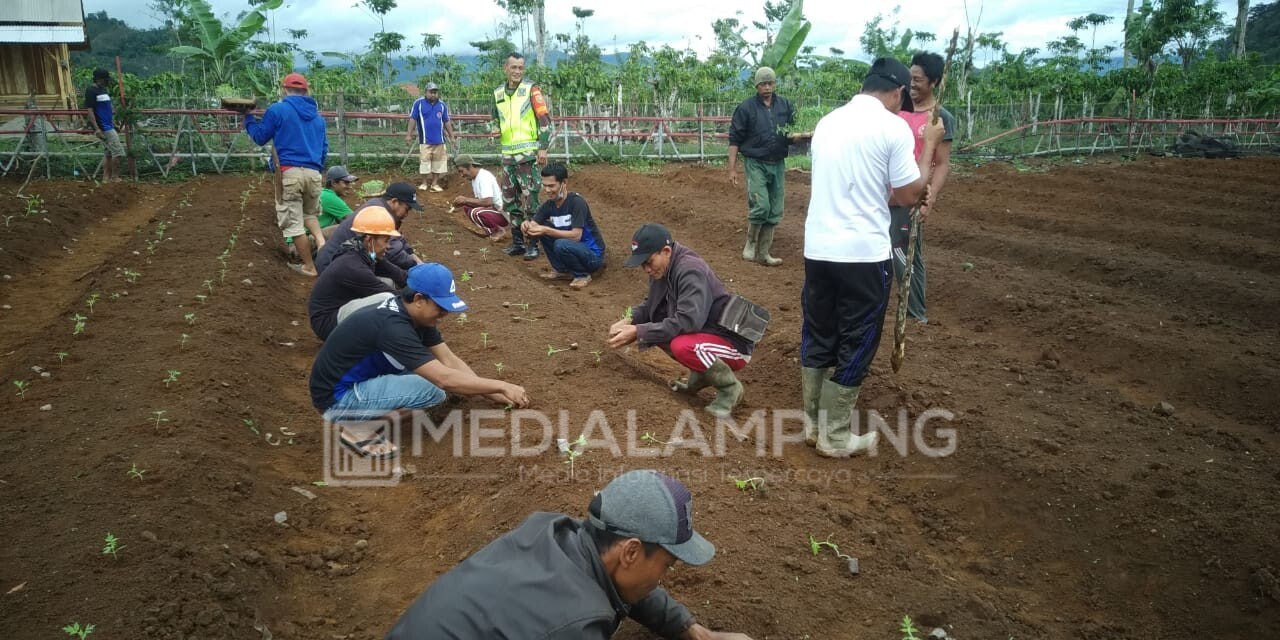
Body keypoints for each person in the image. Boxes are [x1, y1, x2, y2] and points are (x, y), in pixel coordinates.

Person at [385, 469, 754, 640]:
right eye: (667, 565)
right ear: (631, 551)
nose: (662, 578)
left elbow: (627, 585)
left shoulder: (552, 531)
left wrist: (695, 632)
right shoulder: (574, 624)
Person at [800, 58, 943, 458]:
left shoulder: (828, 123)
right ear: (897, 92)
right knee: (858, 338)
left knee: (819, 331)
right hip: (862, 254)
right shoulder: (891, 126)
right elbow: (908, 193)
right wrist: (929, 144)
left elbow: (866, 186)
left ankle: (812, 424)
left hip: (818, 249)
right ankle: (836, 435)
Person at [310, 263, 530, 459]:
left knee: (435, 375)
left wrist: (492, 394)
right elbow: (444, 378)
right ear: (418, 299)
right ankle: (358, 429)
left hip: (355, 382)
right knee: (433, 391)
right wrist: (502, 385)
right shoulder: (394, 327)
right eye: (441, 307)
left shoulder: (414, 317)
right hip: (337, 398)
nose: (445, 313)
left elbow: (449, 360)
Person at [608, 224, 754, 418]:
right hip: (708, 333)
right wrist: (630, 319)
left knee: (681, 344)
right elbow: (651, 306)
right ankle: (701, 374)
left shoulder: (689, 270)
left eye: (649, 262)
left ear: (666, 251)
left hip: (734, 344)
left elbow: (688, 321)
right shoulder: (662, 268)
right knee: (656, 329)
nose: (646, 269)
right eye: (643, 264)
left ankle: (730, 389)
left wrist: (638, 331)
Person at [889, 52, 956, 324]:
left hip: (910, 197)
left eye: (918, 80)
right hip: (884, 193)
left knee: (904, 254)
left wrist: (931, 199)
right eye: (910, 78)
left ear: (934, 82)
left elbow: (941, 164)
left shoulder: (940, 119)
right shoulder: (895, 108)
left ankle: (915, 314)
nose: (912, 84)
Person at [244, 72, 328, 277]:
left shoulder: (278, 110)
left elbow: (260, 137)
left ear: (284, 90)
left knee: (293, 223)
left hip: (289, 173)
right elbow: (324, 149)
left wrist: (248, 118)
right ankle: (322, 242)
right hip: (314, 173)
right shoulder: (318, 118)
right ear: (306, 91)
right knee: (310, 214)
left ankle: (309, 266)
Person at [727, 66, 809, 267]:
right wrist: (732, 168)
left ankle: (764, 253)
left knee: (775, 209)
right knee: (761, 205)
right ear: (756, 86)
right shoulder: (746, 108)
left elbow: (791, 133)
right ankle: (750, 243)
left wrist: (802, 136)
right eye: (763, 84)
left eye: (770, 83)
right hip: (756, 162)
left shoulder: (785, 106)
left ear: (775, 84)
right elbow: (734, 139)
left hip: (778, 163)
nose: (767, 87)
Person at [307, 206, 408, 341]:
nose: (389, 246)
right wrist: (420, 300)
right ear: (369, 240)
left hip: (340, 310)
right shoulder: (352, 266)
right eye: (386, 240)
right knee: (387, 298)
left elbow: (399, 274)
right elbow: (395, 297)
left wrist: (422, 281)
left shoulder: (364, 252)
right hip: (328, 324)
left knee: (390, 282)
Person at [492, 52, 552, 260]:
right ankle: (517, 242)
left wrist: (542, 147)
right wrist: (494, 128)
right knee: (510, 201)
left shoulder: (531, 89)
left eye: (520, 67)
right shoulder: (498, 93)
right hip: (508, 157)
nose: (517, 71)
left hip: (527, 156)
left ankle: (533, 244)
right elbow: (495, 118)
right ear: (505, 69)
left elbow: (544, 119)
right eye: (513, 67)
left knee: (531, 202)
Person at [522, 163, 606, 290]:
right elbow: (535, 224)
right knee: (542, 228)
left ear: (564, 183)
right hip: (571, 248)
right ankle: (562, 270)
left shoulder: (577, 203)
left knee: (559, 242)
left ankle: (582, 275)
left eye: (551, 186)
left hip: (592, 256)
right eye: (544, 186)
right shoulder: (549, 205)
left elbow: (576, 236)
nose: (547, 190)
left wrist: (547, 230)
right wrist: (527, 226)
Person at [316, 182, 425, 274]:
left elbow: (397, 238)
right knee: (393, 281)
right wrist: (416, 266)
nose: (407, 214)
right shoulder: (379, 214)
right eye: (407, 209)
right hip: (332, 265)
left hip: (339, 259)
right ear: (394, 202)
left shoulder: (381, 208)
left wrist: (413, 256)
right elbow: (392, 252)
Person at [406, 82, 454, 192]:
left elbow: (446, 121)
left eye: (435, 92)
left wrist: (452, 137)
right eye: (431, 92)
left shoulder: (442, 105)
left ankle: (435, 183)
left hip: (440, 140)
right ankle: (424, 183)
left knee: (439, 162)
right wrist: (409, 134)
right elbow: (413, 119)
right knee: (424, 162)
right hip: (425, 140)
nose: (433, 94)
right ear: (425, 92)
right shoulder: (418, 103)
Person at [451, 154, 509, 241]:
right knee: (467, 207)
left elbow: (487, 202)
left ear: (470, 167)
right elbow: (481, 202)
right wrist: (463, 202)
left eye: (462, 171)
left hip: (501, 213)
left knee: (476, 212)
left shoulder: (483, 177)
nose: (461, 175)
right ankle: (491, 231)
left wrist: (465, 199)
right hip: (492, 210)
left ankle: (498, 230)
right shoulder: (475, 178)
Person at [83, 68, 126, 182]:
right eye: (105, 79)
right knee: (118, 152)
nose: (107, 81)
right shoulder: (91, 91)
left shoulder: (103, 90)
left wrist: (113, 123)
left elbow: (106, 110)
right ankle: (115, 177)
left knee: (108, 153)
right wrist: (97, 129)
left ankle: (106, 178)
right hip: (103, 127)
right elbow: (90, 111)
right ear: (99, 79)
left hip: (109, 125)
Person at [319, 165, 360, 235]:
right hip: (307, 238)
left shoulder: (324, 193)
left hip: (306, 236)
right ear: (333, 183)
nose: (350, 186)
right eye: (346, 182)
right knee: (348, 228)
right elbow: (356, 220)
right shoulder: (330, 197)